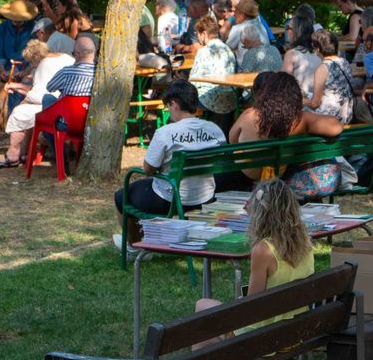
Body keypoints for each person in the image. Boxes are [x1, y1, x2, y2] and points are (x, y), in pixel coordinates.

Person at [172, 178, 315, 360]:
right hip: (293, 329)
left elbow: (249, 311)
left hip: (264, 336)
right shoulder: (304, 240)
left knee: (202, 313)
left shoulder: (264, 249)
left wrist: (237, 303)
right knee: (207, 315)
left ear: (261, 212)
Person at [113, 81, 225, 232]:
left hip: (169, 199)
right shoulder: (215, 129)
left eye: (168, 106)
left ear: (174, 104)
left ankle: (133, 245)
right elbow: (221, 159)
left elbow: (148, 169)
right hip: (205, 196)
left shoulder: (165, 133)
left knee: (121, 196)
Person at [221, 71, 345, 193]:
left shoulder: (249, 116)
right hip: (278, 177)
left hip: (244, 179)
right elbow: (336, 126)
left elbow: (232, 141)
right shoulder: (301, 119)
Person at [0, 40, 73, 168]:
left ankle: (13, 155)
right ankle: (23, 153)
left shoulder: (43, 64)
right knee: (26, 110)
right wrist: (19, 87)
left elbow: (39, 95)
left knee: (20, 112)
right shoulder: (67, 58)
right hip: (70, 104)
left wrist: (23, 100)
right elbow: (45, 88)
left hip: (53, 107)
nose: (32, 66)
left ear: (36, 57)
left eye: (31, 62)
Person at [187, 15, 238, 132]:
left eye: (197, 34)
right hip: (230, 98)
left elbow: (193, 80)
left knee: (181, 99)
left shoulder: (204, 51)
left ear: (204, 34)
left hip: (209, 100)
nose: (198, 37)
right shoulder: (228, 49)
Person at [305, 30, 354, 125]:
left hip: (329, 118)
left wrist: (301, 101)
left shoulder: (323, 68)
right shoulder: (345, 62)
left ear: (318, 49)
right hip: (346, 114)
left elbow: (315, 103)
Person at [42, 34, 97, 107]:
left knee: (47, 98)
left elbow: (50, 87)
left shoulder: (66, 72)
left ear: (77, 53)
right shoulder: (98, 74)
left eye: (73, 53)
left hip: (65, 114)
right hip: (87, 113)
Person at [0, 0, 38, 79]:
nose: (17, 20)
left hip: (27, 67)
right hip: (7, 66)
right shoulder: (2, 27)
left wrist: (26, 71)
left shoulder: (33, 27)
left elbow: (36, 53)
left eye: (20, 18)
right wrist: (2, 71)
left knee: (28, 82)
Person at [281, 12, 321, 98]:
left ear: (297, 32)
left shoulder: (291, 54)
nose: (286, 31)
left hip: (301, 102)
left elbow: (283, 83)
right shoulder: (318, 53)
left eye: (288, 28)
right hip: (318, 101)